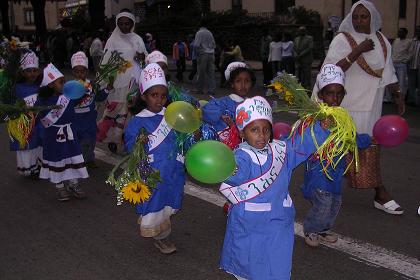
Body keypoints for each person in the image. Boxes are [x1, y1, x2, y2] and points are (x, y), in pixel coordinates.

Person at [219, 96, 329, 280]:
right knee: (249, 266)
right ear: (242, 133)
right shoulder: (241, 156)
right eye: (254, 130)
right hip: (250, 224)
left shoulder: (280, 150)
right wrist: (222, 168)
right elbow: (233, 176)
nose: (261, 135)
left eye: (266, 129)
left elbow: (301, 145)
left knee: (277, 264)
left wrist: (321, 128)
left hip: (279, 221)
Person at [313, 0, 405, 214]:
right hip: (344, 105)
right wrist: (357, 51)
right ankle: (327, 192)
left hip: (371, 105)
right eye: (356, 16)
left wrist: (398, 94)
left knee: (368, 148)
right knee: (337, 148)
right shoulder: (342, 40)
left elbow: (388, 70)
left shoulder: (382, 41)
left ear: (372, 18)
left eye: (364, 17)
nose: (359, 20)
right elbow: (330, 71)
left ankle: (378, 193)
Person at [302, 64, 371, 247]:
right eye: (330, 93)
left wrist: (366, 140)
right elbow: (304, 137)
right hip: (318, 173)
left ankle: (323, 229)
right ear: (321, 95)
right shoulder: (315, 117)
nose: (335, 98)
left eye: (339, 94)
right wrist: (321, 127)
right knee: (323, 204)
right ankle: (311, 229)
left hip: (336, 173)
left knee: (334, 204)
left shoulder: (343, 117)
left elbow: (351, 138)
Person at [124, 63, 185, 254]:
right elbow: (131, 146)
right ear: (144, 96)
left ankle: (162, 230)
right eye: (154, 95)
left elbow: (181, 139)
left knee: (168, 202)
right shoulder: (137, 121)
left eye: (163, 95)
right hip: (154, 173)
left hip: (173, 170)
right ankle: (161, 237)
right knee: (156, 203)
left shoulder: (172, 115)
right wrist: (139, 143)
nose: (159, 100)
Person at [96, 10, 148, 154]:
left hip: (133, 82)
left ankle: (127, 140)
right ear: (117, 24)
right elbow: (105, 62)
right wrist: (106, 81)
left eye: (127, 23)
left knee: (130, 112)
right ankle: (113, 139)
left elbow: (144, 59)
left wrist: (141, 58)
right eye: (121, 24)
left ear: (132, 24)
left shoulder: (138, 39)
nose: (124, 26)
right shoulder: (112, 40)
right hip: (116, 82)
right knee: (115, 111)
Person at [36, 64, 88, 201]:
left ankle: (73, 184)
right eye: (61, 82)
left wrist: (86, 89)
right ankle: (59, 187)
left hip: (69, 134)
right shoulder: (43, 101)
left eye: (64, 81)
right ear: (51, 85)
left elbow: (81, 96)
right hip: (53, 136)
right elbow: (40, 117)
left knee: (72, 157)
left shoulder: (67, 97)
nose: (64, 84)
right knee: (56, 159)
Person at [71, 51, 108, 169]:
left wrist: (107, 89)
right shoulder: (70, 86)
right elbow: (68, 102)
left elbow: (99, 96)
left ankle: (89, 159)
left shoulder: (92, 85)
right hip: (76, 119)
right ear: (73, 72)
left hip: (89, 118)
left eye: (82, 71)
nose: (79, 74)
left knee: (90, 139)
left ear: (86, 72)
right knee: (77, 140)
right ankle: (77, 160)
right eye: (76, 71)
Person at [11, 51, 42, 177]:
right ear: (23, 73)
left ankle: (38, 165)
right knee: (27, 145)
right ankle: (30, 168)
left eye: (34, 70)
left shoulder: (41, 86)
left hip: (38, 122)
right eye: (28, 71)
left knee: (38, 144)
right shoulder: (17, 88)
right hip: (23, 123)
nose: (32, 73)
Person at [202, 62, 255, 134]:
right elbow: (206, 112)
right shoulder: (223, 102)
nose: (243, 85)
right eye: (238, 81)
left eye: (247, 81)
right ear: (232, 84)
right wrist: (221, 116)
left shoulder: (254, 104)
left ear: (251, 83)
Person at [384, 28, 411, 103]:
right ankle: (388, 98)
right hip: (393, 63)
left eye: (401, 32)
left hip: (401, 65)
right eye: (398, 32)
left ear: (405, 33)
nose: (399, 33)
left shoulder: (409, 42)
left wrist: (405, 60)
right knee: (389, 80)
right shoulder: (396, 40)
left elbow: (410, 53)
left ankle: (400, 100)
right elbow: (392, 51)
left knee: (401, 83)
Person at [194, 20, 216, 95]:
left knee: (201, 73)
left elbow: (196, 45)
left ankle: (200, 89)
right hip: (211, 53)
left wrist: (198, 54)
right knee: (211, 73)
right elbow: (214, 44)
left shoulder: (199, 33)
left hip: (203, 54)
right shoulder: (210, 33)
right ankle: (212, 89)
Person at [407, 26, 420, 105]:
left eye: (419, 31)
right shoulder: (413, 41)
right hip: (412, 65)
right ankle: (411, 100)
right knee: (411, 84)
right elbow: (410, 53)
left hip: (419, 66)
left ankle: (418, 101)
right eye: (417, 31)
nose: (417, 32)